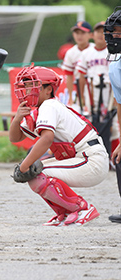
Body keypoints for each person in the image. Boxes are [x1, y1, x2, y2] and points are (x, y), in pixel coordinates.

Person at [9, 64, 109, 226]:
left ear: (48, 90)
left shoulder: (49, 105)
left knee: (38, 173)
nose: (28, 91)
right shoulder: (42, 109)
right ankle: (64, 212)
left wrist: (24, 166)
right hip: (83, 158)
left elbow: (47, 139)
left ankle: (82, 208)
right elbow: (15, 137)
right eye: (26, 87)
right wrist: (17, 118)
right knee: (36, 173)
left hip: (91, 159)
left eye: (33, 86)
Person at [76, 21, 120, 157]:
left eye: (103, 32)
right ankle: (94, 156)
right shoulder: (86, 53)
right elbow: (81, 76)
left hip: (110, 92)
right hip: (92, 93)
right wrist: (82, 98)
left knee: (112, 126)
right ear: (92, 34)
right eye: (98, 31)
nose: (100, 35)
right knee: (92, 125)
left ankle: (111, 155)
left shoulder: (113, 51)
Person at [105, 6, 121, 223]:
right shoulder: (115, 68)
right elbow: (120, 104)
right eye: (113, 32)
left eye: (118, 32)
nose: (113, 36)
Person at [61, 21, 94, 107]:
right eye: (76, 33)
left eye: (83, 33)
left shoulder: (95, 49)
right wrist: (71, 98)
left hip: (96, 87)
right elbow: (69, 76)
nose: (79, 36)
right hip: (79, 89)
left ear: (90, 35)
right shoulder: (71, 53)